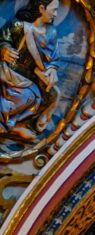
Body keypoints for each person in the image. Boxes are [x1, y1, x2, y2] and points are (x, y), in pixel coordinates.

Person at [0, 0, 61, 143]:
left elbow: (54, 58)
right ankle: (13, 128)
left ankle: (15, 125)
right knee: (27, 96)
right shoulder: (18, 25)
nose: (56, 14)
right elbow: (3, 40)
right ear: (41, 8)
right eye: (54, 10)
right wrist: (4, 49)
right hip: (9, 72)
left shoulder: (51, 32)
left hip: (31, 76)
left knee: (48, 95)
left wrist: (52, 69)